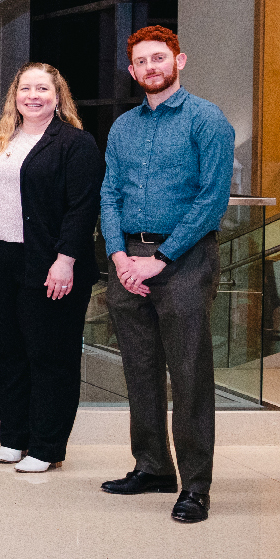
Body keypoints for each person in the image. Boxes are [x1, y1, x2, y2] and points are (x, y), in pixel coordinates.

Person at [98, 26, 233, 524]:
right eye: (141, 62)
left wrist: (164, 257)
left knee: (190, 373)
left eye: (160, 58)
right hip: (127, 260)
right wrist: (118, 256)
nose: (151, 67)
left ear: (180, 60)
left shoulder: (207, 120)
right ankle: (153, 466)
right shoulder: (123, 127)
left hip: (186, 259)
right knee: (140, 368)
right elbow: (109, 195)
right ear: (132, 72)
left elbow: (212, 199)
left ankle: (196, 485)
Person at [0, 63, 102, 473]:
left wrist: (66, 260)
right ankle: (14, 437)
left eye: (43, 89)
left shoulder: (75, 144)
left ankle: (46, 445)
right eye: (26, 89)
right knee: (7, 352)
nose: (33, 96)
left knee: (50, 355)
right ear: (15, 95)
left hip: (49, 262)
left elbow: (82, 208)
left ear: (58, 96)